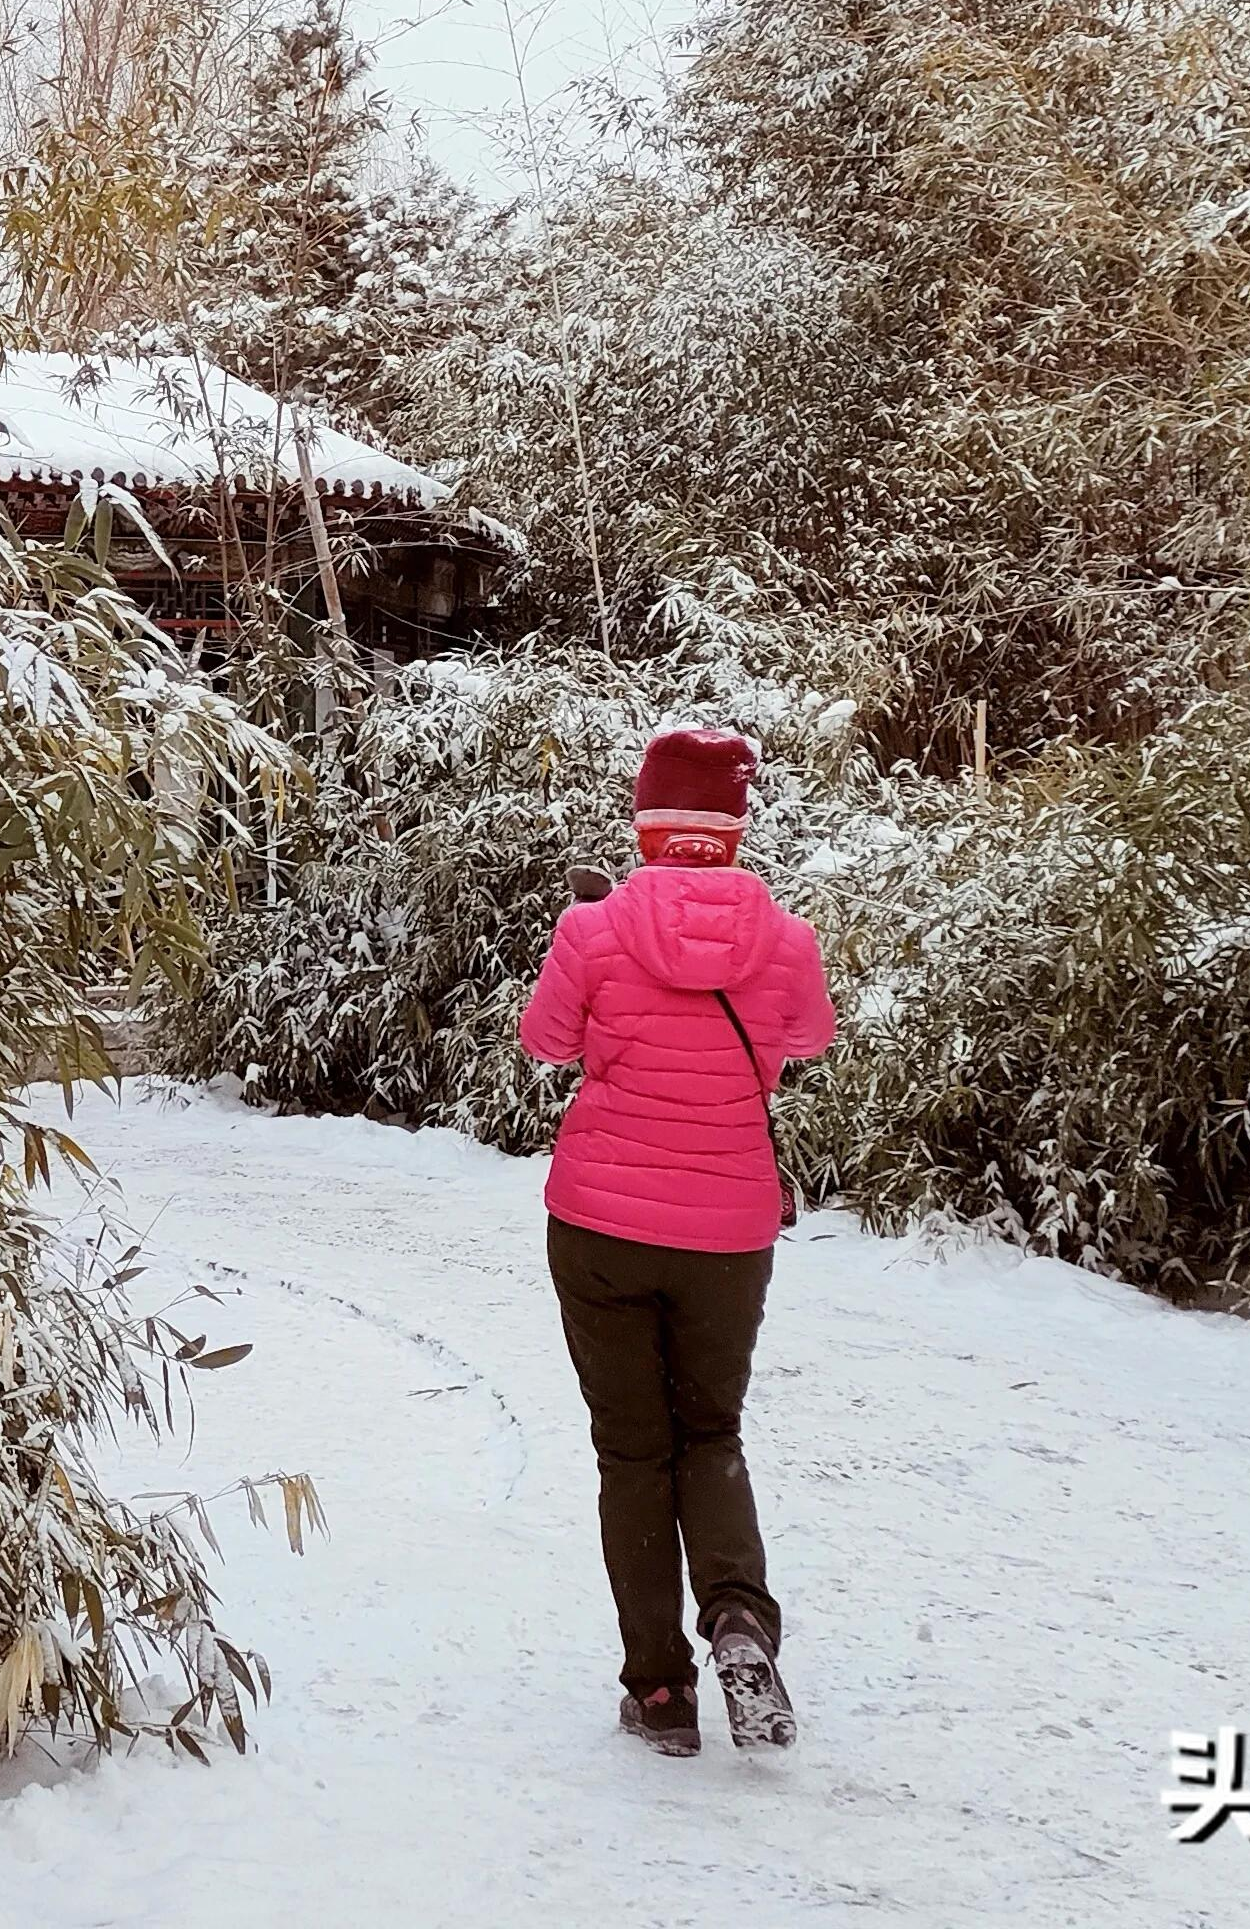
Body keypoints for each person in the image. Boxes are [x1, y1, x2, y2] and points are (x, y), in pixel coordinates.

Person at [515, 723, 837, 1758]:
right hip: (728, 1232)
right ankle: (740, 1617)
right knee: (712, 1435)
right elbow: (804, 1042)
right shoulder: (785, 939)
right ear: (735, 830)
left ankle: (659, 1688)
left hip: (601, 1224)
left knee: (632, 1453)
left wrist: (588, 941)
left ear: (645, 824)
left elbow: (545, 1043)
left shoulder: (595, 927)